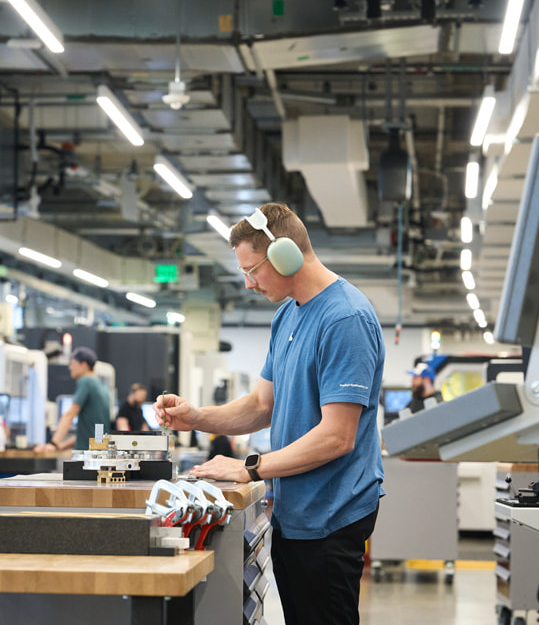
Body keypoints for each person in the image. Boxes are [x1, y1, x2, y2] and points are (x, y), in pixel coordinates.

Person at [155, 202, 385, 625]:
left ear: (286, 256)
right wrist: (198, 417)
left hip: (331, 518)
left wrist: (250, 468)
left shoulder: (345, 318)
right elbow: (262, 405)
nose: (248, 284)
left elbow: (338, 436)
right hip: (296, 512)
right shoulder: (287, 316)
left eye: (252, 270)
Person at [36, 347, 110, 451]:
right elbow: (90, 432)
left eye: (72, 363)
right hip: (98, 450)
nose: (70, 368)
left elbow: (69, 415)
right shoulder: (101, 386)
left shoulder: (86, 382)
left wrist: (53, 444)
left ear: (84, 365)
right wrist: (61, 446)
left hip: (88, 455)